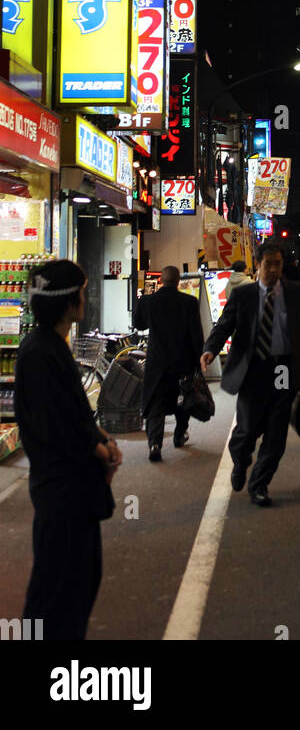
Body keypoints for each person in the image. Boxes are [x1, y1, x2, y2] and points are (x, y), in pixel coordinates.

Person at [14, 260, 120, 639]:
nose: (86, 296)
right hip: (62, 493)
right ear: (69, 301)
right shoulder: (41, 354)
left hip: (67, 492)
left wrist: (100, 438)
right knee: (58, 590)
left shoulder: (47, 348)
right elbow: (56, 427)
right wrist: (98, 449)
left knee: (74, 583)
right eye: (82, 290)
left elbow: (72, 415)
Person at [201, 238, 300, 506]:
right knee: (247, 429)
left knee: (276, 433)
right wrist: (210, 350)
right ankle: (240, 460)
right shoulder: (244, 295)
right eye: (268, 264)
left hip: (283, 368)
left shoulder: (297, 292)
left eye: (277, 264)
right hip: (253, 369)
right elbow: (224, 325)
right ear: (259, 265)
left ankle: (259, 485)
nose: (273, 269)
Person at [133, 264, 204, 460]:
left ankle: (155, 444)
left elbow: (138, 324)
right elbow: (196, 335)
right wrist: (200, 361)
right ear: (178, 280)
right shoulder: (189, 302)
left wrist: (142, 300)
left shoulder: (149, 301)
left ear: (161, 280)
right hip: (183, 362)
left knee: (156, 405)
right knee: (183, 402)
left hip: (157, 362)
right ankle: (179, 435)